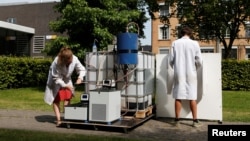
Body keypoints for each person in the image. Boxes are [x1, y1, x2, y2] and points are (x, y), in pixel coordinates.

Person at [167, 26, 203, 127]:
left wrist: (175, 67)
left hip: (179, 72)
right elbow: (199, 61)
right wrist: (195, 67)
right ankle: (195, 121)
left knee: (178, 96)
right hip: (191, 72)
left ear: (181, 33)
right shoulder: (194, 43)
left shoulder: (175, 43)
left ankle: (177, 120)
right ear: (190, 34)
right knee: (192, 96)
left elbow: (170, 60)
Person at [44, 46, 86, 126]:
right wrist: (65, 86)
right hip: (55, 81)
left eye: (71, 60)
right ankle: (59, 120)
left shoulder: (74, 59)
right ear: (64, 59)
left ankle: (67, 117)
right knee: (56, 100)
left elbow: (82, 69)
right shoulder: (56, 62)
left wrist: (80, 78)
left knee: (67, 96)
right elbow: (56, 78)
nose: (70, 62)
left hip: (66, 79)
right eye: (68, 61)